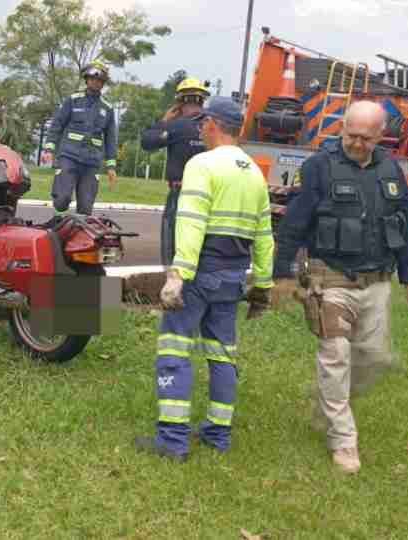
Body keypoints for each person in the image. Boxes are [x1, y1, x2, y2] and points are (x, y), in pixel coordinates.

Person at [273, 100, 408, 474]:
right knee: (336, 354)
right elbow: (296, 221)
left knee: (372, 358)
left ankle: (328, 402)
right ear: (342, 129)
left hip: (376, 282)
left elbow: (404, 225)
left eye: (365, 138)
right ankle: (344, 440)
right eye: (350, 135)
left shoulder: (392, 170)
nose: (356, 143)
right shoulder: (320, 168)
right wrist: (282, 272)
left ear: (380, 136)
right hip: (330, 278)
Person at [133, 96, 275, 462]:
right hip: (232, 278)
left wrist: (178, 274)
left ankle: (172, 440)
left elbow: (192, 222)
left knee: (174, 351)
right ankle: (217, 433)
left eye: (202, 122)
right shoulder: (254, 171)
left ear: (212, 123)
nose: (199, 127)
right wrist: (262, 285)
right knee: (222, 355)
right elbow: (264, 235)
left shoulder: (202, 165)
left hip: (199, 274)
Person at [141, 77, 210, 266]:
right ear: (202, 101)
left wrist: (164, 122)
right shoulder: (214, 127)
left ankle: (173, 282)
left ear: (180, 102)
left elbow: (147, 142)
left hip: (181, 195)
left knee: (173, 245)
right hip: (210, 196)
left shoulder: (176, 126)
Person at [41, 61, 118, 216]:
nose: (95, 82)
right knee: (62, 200)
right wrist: (49, 149)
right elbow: (57, 125)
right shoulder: (73, 100)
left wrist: (111, 166)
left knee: (85, 207)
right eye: (92, 78)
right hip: (69, 157)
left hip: (91, 162)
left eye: (99, 80)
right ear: (86, 79)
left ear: (103, 83)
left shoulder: (107, 109)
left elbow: (110, 139)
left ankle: (78, 237)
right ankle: (59, 216)